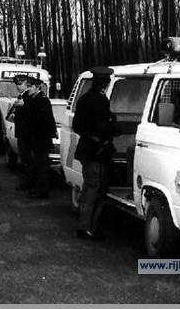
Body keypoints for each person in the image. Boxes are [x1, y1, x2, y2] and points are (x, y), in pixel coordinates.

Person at [73, 66, 120, 240]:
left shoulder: (84, 99)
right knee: (96, 189)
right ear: (105, 83)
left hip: (86, 149)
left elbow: (77, 126)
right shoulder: (101, 101)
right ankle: (89, 228)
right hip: (98, 152)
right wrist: (115, 128)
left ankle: (84, 226)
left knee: (88, 188)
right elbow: (104, 127)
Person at [24, 76, 58, 199]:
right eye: (27, 86)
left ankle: (42, 190)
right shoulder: (34, 99)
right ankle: (39, 188)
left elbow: (48, 119)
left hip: (41, 138)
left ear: (37, 87)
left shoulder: (42, 100)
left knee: (41, 165)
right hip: (37, 138)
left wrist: (52, 132)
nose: (28, 89)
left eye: (30, 86)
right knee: (38, 165)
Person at [6, 75, 33, 191]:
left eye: (20, 84)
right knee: (24, 159)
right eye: (17, 84)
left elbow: (30, 114)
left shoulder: (28, 97)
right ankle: (26, 181)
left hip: (26, 134)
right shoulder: (22, 96)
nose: (18, 86)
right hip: (22, 133)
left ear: (26, 84)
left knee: (26, 160)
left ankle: (27, 183)